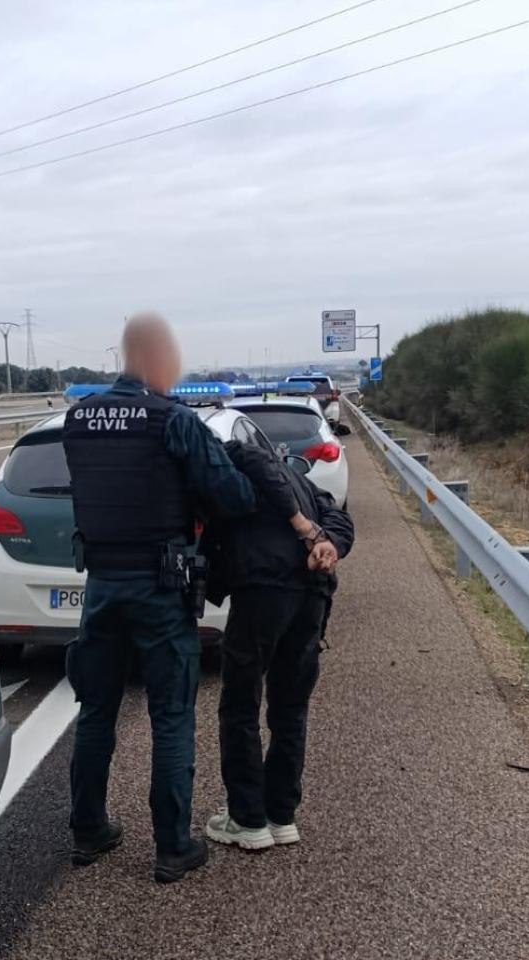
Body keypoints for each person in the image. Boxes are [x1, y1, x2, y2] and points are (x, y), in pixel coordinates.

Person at [61, 312, 316, 883]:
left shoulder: (78, 419)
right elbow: (232, 495)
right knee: (171, 715)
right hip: (160, 585)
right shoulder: (171, 420)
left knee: (95, 710)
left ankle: (87, 830)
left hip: (100, 585)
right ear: (153, 360)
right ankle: (173, 845)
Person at [201, 445, 353, 851]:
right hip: (312, 596)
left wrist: (304, 527)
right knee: (289, 708)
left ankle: (247, 819)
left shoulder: (237, 455)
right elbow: (339, 516)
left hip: (264, 591)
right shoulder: (303, 481)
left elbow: (252, 460)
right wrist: (330, 543)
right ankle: (281, 815)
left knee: (240, 704)